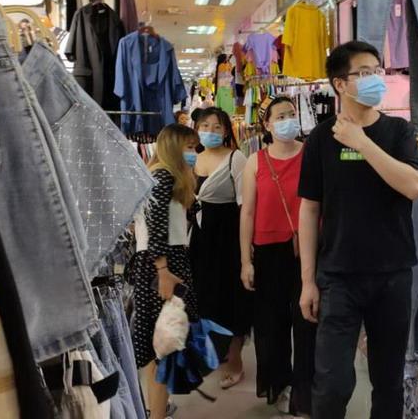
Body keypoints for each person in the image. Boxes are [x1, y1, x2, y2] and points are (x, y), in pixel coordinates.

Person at [298, 41, 418, 419]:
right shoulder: (320, 138)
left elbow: (414, 186)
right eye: (364, 73)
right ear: (340, 84)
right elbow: (309, 210)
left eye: (377, 71)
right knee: (332, 383)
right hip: (338, 276)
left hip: (392, 274)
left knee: (388, 380)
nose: (375, 79)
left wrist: (361, 142)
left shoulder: (399, 131)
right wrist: (307, 281)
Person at [240, 96, 317, 415]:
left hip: (308, 250)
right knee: (272, 325)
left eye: (292, 114)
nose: (288, 120)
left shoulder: (312, 154)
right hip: (268, 251)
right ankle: (280, 384)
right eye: (281, 116)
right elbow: (247, 212)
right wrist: (245, 261)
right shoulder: (255, 161)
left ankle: (305, 392)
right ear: (267, 124)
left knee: (307, 322)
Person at [131, 124, 200, 418]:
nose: (194, 153)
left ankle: (156, 408)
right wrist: (163, 270)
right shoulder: (163, 177)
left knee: (159, 342)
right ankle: (157, 412)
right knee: (164, 345)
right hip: (163, 264)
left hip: (160, 262)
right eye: (189, 147)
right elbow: (156, 227)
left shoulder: (159, 175)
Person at [190, 107, 251, 389]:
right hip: (199, 239)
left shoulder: (235, 159)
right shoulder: (192, 157)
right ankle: (213, 354)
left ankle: (235, 360)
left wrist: (246, 252)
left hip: (228, 238)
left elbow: (245, 207)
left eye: (217, 127)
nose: (211, 131)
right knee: (204, 298)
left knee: (231, 299)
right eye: (205, 126)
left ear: (226, 131)